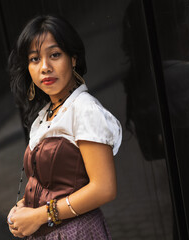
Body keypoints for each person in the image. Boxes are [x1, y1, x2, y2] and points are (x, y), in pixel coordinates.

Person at [7, 15, 122, 239]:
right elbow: (53, 183)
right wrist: (22, 208)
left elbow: (104, 188)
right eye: (34, 59)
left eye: (55, 55)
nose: (45, 67)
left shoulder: (85, 110)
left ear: (73, 59)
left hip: (76, 232)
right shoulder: (46, 115)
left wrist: (39, 216)